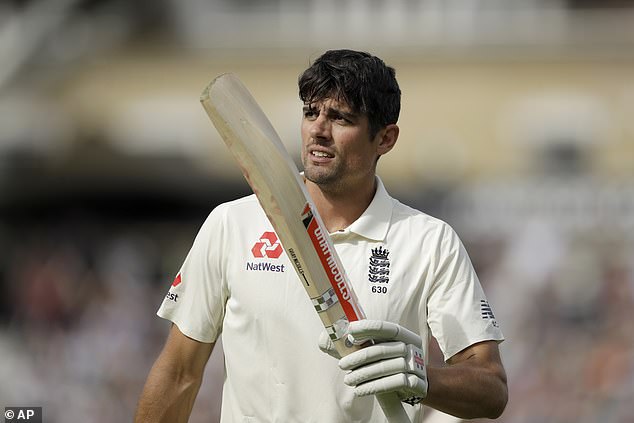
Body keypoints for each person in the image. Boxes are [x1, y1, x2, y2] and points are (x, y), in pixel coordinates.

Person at [135, 49, 507, 422]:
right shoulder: (233, 223)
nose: (318, 130)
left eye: (340, 118)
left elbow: (491, 389)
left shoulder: (430, 242)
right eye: (310, 112)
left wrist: (420, 378)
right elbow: (179, 374)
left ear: (385, 138)